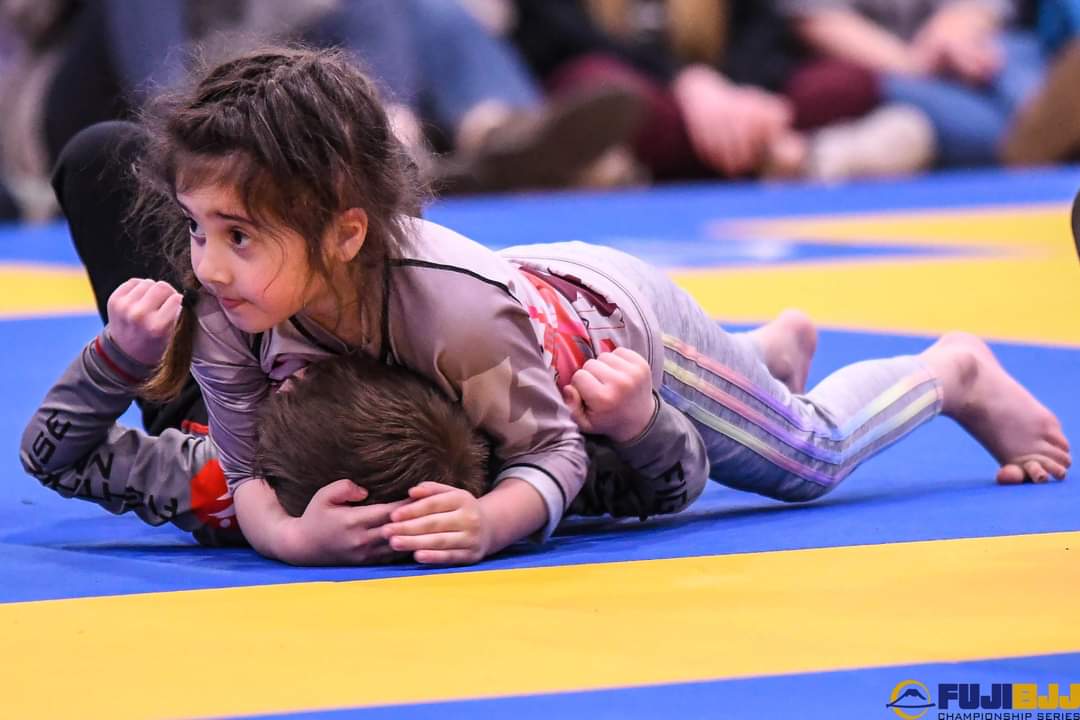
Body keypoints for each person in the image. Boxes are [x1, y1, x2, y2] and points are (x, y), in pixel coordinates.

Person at [48, 47, 1070, 567]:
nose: (205, 269)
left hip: (622, 328)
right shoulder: (234, 306)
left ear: (345, 233)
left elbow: (558, 456)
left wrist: (488, 522)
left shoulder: (451, 316)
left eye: (237, 237)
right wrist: (285, 536)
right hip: (518, 317)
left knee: (802, 462)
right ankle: (764, 353)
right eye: (195, 230)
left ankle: (952, 372)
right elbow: (254, 461)